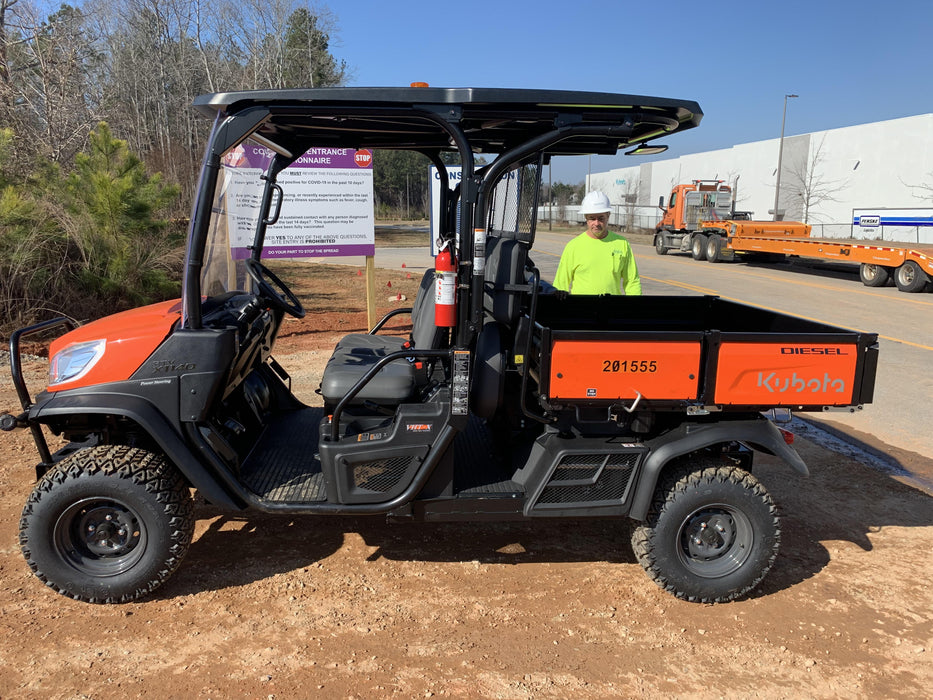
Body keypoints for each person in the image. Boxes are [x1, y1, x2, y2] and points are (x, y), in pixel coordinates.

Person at [553, 191, 642, 295]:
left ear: (608, 216)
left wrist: (634, 308)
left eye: (601, 218)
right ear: (586, 218)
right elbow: (560, 285)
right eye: (592, 218)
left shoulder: (622, 244)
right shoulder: (573, 247)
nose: (596, 223)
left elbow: (632, 282)